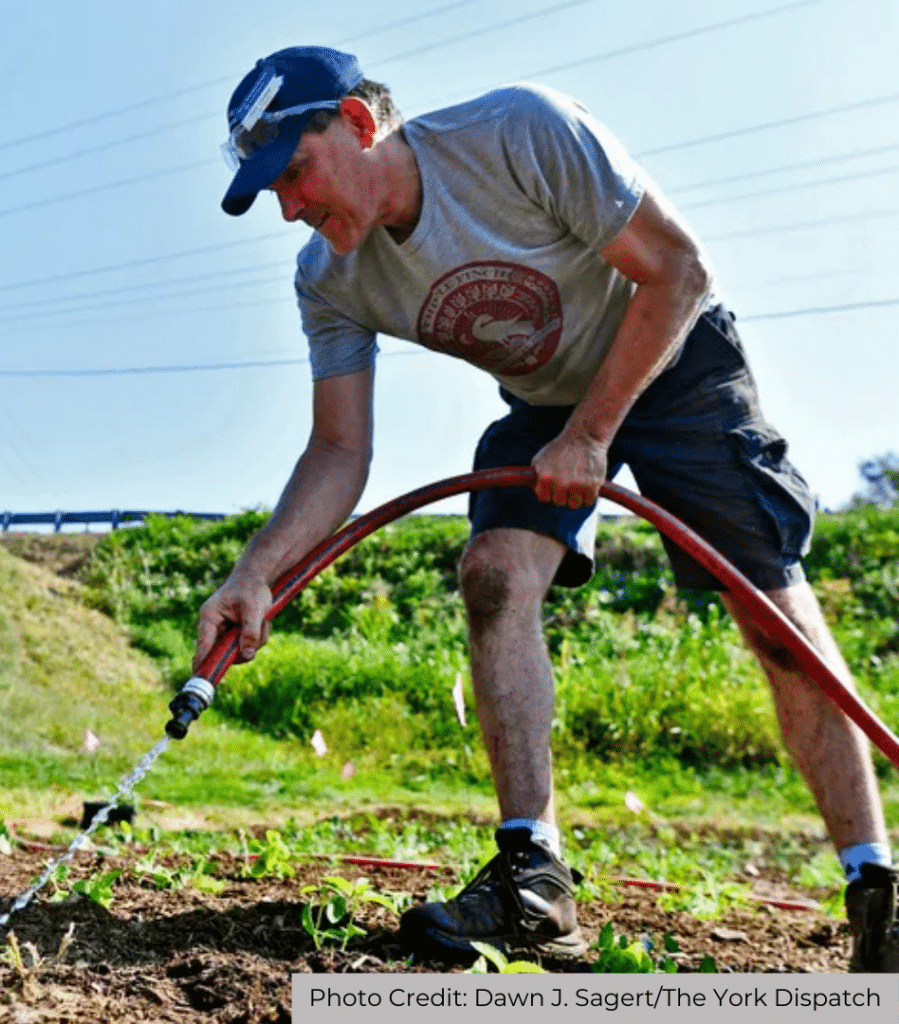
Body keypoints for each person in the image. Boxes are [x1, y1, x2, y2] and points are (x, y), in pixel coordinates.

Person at [195, 45, 897, 970]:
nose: (291, 207)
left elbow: (678, 271)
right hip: (545, 405)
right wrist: (254, 574)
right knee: (492, 575)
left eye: (295, 173)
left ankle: (876, 887)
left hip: (674, 358)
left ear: (360, 126)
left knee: (770, 617)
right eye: (273, 192)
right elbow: (339, 451)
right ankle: (536, 881)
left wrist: (596, 434)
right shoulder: (330, 278)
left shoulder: (519, 133)